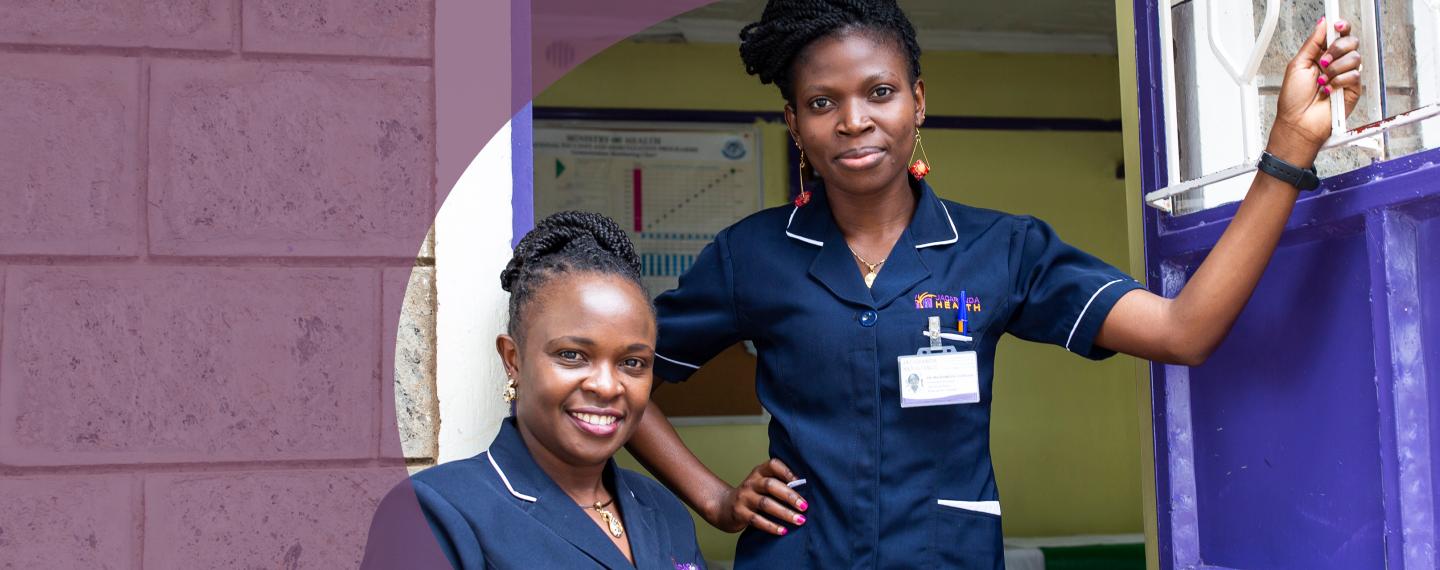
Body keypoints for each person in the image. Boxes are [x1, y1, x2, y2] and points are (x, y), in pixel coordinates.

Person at [623, 0, 1365, 567]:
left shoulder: (1002, 250)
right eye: (822, 102)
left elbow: (1184, 332)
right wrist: (715, 498)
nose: (854, 121)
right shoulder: (751, 256)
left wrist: (1290, 145)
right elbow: (621, 377)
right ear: (793, 121)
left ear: (918, 101)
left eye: (878, 92)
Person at [364, 212, 706, 570]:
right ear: (513, 359)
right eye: (572, 355)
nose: (606, 386)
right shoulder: (434, 514)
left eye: (632, 363)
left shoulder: (665, 512)